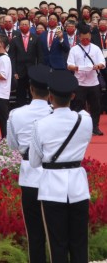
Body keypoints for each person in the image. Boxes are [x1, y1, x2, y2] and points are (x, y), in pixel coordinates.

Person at [30, 70, 93, 263]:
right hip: (78, 187)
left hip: (52, 189)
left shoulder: (41, 124)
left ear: (50, 96)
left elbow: (34, 162)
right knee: (80, 244)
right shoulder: (85, 120)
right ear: (73, 96)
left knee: (57, 245)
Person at [6, 64, 53, 263]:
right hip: (55, 177)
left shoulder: (17, 114)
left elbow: (12, 146)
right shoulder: (54, 114)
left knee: (35, 234)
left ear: (30, 89)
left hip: (30, 177)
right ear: (50, 92)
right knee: (57, 233)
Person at [67, 23, 105, 136]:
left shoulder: (95, 48)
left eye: (87, 39)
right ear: (79, 38)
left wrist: (98, 66)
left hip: (93, 82)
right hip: (79, 83)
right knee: (78, 106)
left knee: (95, 106)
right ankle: (78, 128)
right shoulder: (74, 49)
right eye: (83, 39)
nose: (85, 41)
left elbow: (102, 62)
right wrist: (76, 68)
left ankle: (95, 127)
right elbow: (69, 65)